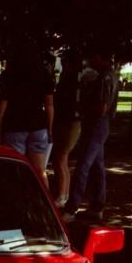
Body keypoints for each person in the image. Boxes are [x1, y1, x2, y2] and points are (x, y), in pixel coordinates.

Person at [63, 47, 118, 221]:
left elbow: (101, 107)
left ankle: (72, 207)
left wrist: (83, 108)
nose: (90, 60)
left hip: (96, 124)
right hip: (97, 124)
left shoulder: (104, 78)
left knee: (83, 166)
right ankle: (97, 205)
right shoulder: (105, 76)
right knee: (97, 166)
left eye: (94, 56)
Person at [0, 43, 54, 182]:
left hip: (15, 126)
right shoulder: (44, 74)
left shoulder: (10, 75)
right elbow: (49, 105)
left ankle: (17, 201)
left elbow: (2, 104)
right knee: (40, 171)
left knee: (15, 170)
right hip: (38, 126)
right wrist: (50, 128)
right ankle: (43, 201)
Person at [51, 49, 83, 206]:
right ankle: (64, 193)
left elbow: (63, 101)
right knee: (62, 159)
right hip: (68, 122)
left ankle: (63, 194)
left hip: (68, 122)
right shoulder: (72, 78)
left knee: (61, 158)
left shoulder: (70, 79)